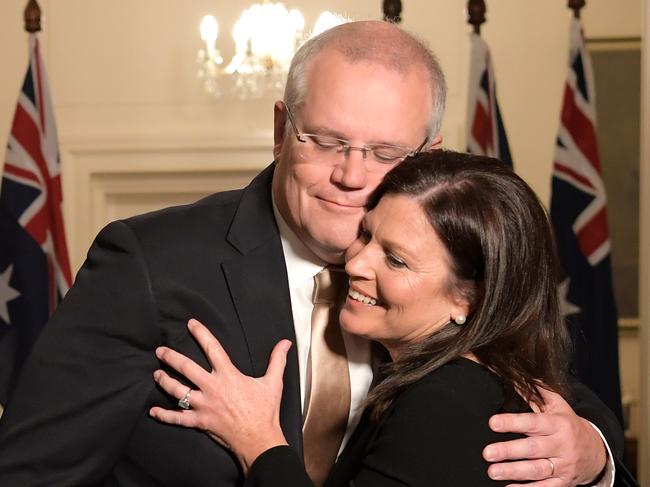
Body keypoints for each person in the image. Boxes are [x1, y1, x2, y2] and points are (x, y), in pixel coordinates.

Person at [0, 20, 621, 486]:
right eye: (326, 141)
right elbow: (32, 471)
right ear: (280, 129)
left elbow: (545, 386)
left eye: (385, 153)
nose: (353, 176)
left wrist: (594, 453)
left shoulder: (448, 280)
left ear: (430, 157)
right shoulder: (150, 264)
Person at [148, 150, 573, 486]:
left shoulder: (446, 398)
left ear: (469, 298)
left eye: (395, 260)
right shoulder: (469, 379)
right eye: (367, 234)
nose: (356, 264)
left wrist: (259, 442)